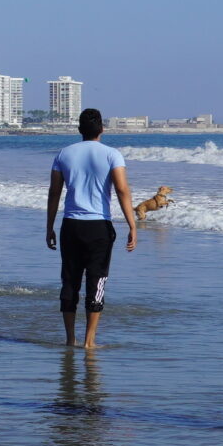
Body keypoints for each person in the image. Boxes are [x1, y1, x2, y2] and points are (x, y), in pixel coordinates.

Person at [45, 108, 138, 349]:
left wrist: (49, 227)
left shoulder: (64, 154)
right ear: (102, 129)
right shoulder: (112, 155)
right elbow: (122, 190)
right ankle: (89, 342)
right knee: (96, 282)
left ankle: (69, 339)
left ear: (79, 130)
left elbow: (54, 192)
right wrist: (132, 224)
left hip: (71, 226)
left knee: (70, 281)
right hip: (99, 227)